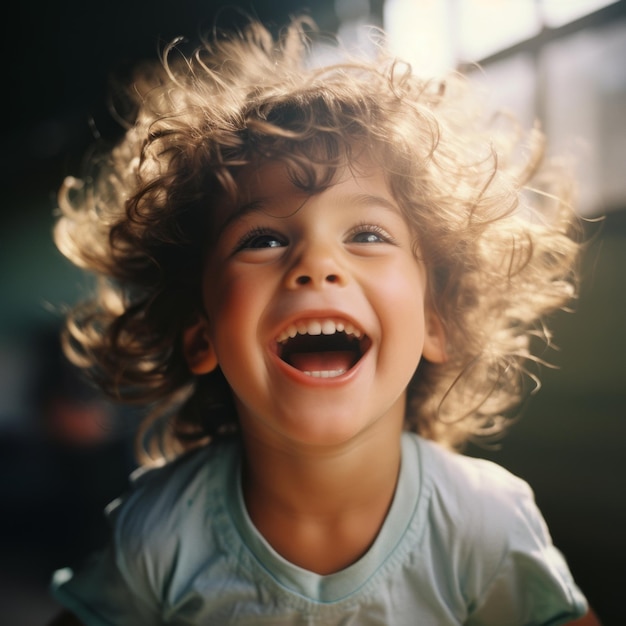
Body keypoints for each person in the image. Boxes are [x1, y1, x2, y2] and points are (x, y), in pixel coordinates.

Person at [47, 15, 601, 626]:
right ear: (202, 333)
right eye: (260, 239)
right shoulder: (160, 530)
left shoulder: (484, 524)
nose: (316, 264)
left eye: (367, 233)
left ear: (434, 319)